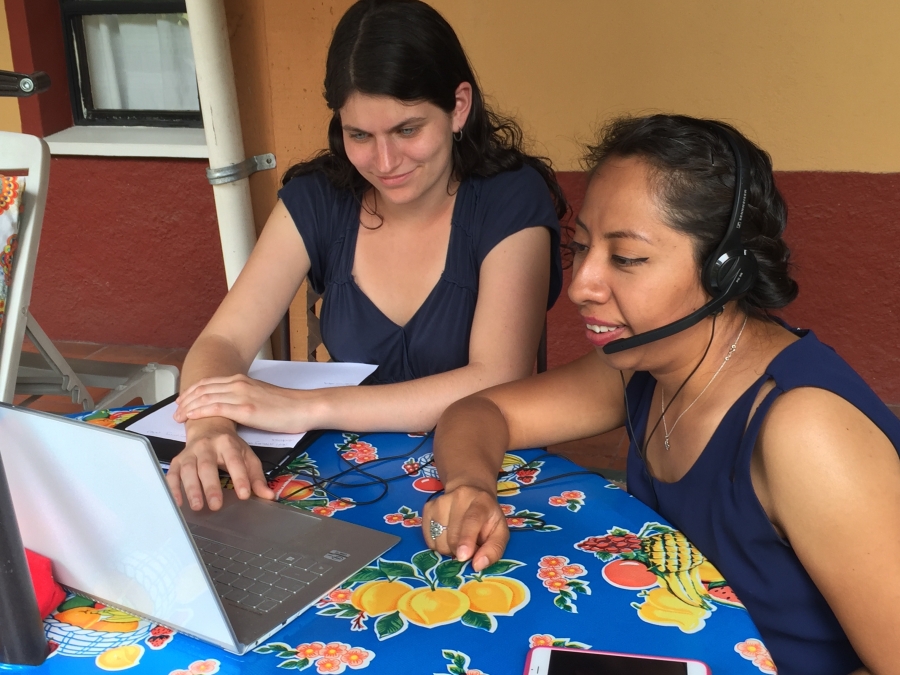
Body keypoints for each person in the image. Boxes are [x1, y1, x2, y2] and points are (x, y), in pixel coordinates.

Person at [423, 115, 900, 675]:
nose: (580, 286)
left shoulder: (802, 429)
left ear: (725, 271)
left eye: (626, 259)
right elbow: (481, 411)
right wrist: (470, 486)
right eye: (581, 249)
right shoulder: (646, 367)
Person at [165, 0, 565, 513]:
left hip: (479, 476)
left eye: (407, 130)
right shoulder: (319, 199)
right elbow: (223, 339)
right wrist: (210, 428)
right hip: (345, 477)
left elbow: (497, 378)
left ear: (458, 107)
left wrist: (309, 406)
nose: (385, 162)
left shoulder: (510, 199)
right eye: (360, 135)